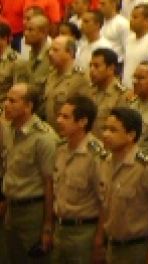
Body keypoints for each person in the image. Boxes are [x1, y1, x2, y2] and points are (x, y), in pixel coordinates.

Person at [1, 83, 59, 263]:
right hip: (11, 209)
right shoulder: (10, 130)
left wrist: (47, 226)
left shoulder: (44, 138)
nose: (6, 104)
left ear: (28, 106)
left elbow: (50, 184)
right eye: (6, 99)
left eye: (12, 101)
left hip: (33, 211)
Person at [97, 107, 148, 263]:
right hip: (112, 246)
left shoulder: (147, 167)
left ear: (131, 135)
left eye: (113, 130)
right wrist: (99, 239)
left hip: (138, 248)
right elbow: (105, 206)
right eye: (105, 129)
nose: (105, 134)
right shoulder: (105, 163)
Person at [52, 95, 106, 263]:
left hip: (83, 232)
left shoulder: (96, 155)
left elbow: (105, 201)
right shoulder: (60, 149)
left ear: (83, 122)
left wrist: (99, 239)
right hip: (59, 229)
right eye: (59, 115)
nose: (59, 120)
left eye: (65, 117)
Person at [42, 36, 91, 128]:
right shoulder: (51, 74)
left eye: (55, 50)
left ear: (70, 53)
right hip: (50, 130)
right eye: (50, 49)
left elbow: (85, 112)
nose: (50, 53)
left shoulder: (81, 78)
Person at [88, 47, 128, 136]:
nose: (91, 70)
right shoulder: (89, 90)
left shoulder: (122, 94)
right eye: (90, 66)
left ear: (111, 68)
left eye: (96, 66)